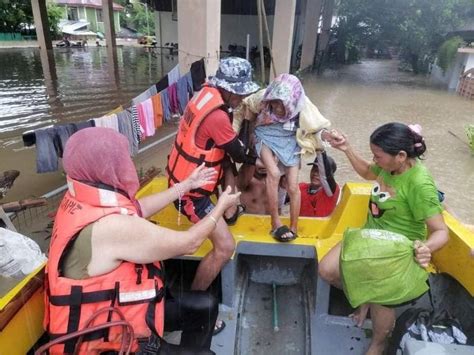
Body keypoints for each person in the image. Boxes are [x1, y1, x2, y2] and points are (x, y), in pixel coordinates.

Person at [43, 127, 241, 354]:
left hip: (115, 315)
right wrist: (221, 207)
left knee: (204, 305)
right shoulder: (111, 228)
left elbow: (137, 208)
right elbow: (190, 242)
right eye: (123, 159)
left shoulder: (78, 199)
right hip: (106, 343)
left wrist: (185, 185)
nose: (127, 164)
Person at [318, 122, 449, 355]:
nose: (374, 160)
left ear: (400, 156)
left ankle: (378, 343)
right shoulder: (388, 167)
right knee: (327, 270)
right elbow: (367, 172)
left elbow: (441, 232)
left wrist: (424, 248)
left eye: (377, 156)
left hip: (397, 251)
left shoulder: (420, 184)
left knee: (381, 297)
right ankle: (364, 299)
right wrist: (346, 148)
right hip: (370, 236)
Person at [166, 57, 258, 291]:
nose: (241, 99)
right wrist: (249, 120)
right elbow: (241, 154)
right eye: (238, 95)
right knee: (226, 247)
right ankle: (195, 297)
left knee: (225, 163)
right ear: (226, 90)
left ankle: (228, 210)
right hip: (190, 197)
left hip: (183, 180)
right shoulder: (217, 116)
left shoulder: (205, 94)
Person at [252, 74, 338, 242]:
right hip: (265, 135)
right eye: (275, 102)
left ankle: (294, 227)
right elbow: (244, 111)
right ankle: (275, 223)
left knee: (293, 186)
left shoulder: (304, 105)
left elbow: (317, 127)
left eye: (281, 103)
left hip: (291, 140)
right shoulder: (261, 98)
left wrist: (329, 135)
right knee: (274, 174)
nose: (277, 107)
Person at [299, 152, 340, 217]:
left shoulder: (331, 192)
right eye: (314, 170)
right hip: (301, 226)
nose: (315, 173)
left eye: (320, 172)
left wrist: (321, 151)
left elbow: (327, 177)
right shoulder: (301, 188)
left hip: (322, 227)